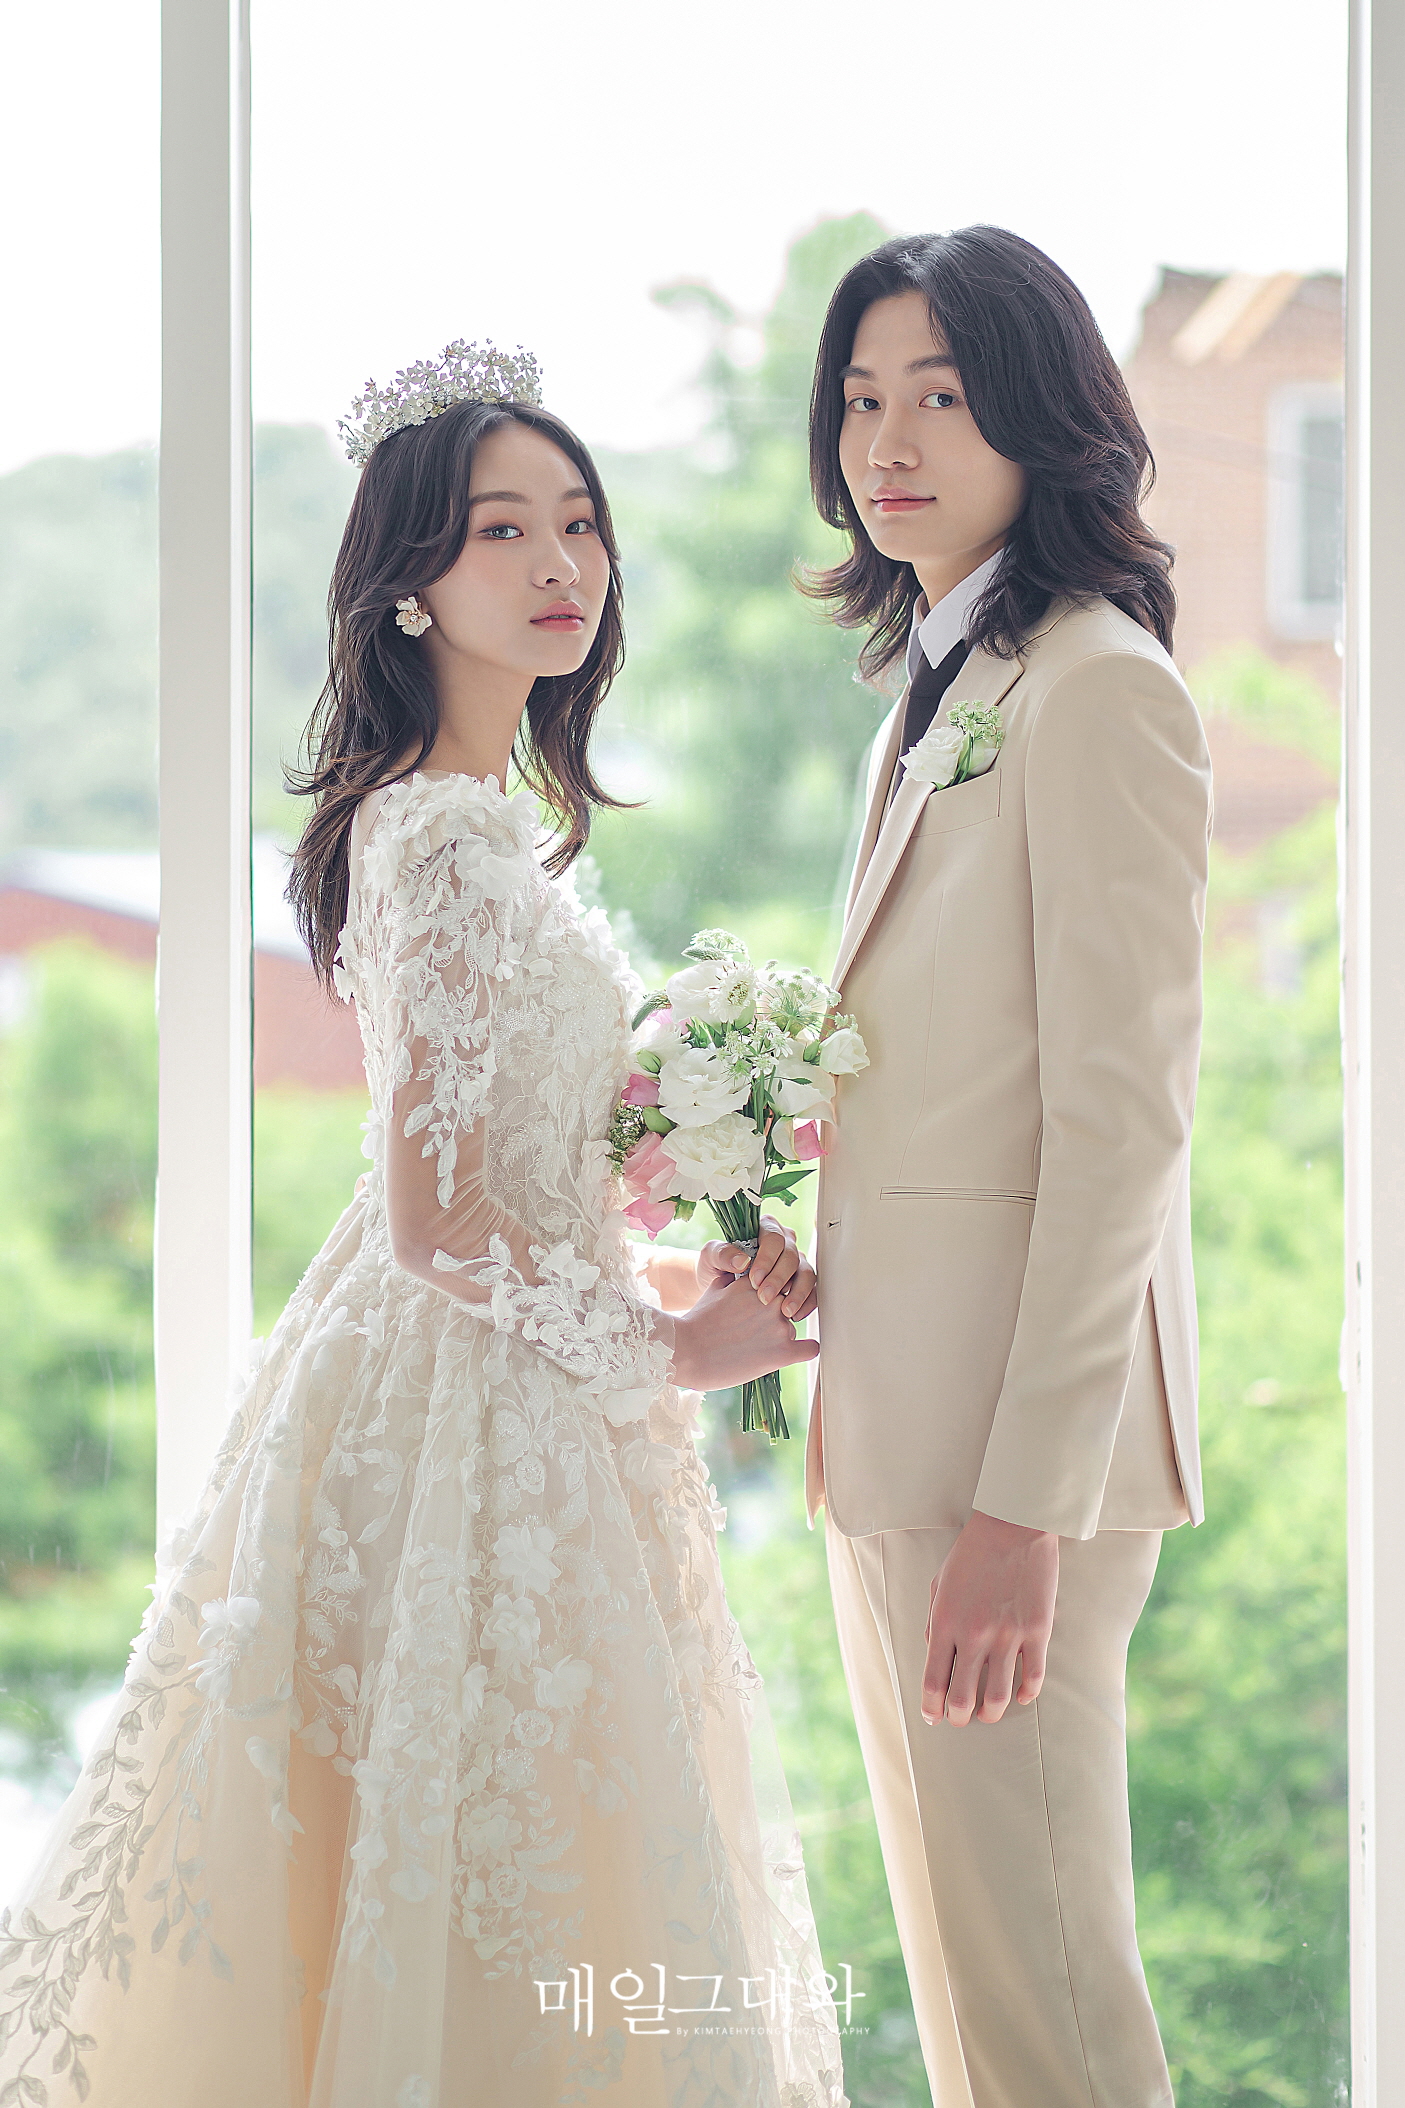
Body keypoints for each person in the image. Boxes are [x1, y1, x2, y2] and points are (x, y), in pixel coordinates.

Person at [0, 343, 847, 2108]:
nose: (559, 562)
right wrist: (674, 1349)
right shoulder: (442, 845)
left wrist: (671, 1262)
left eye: (580, 522)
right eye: (500, 530)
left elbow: (514, 1186)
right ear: (408, 583)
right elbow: (437, 1224)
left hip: (510, 1380)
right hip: (474, 1403)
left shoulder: (481, 829)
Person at [802, 230, 1211, 2107]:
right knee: (979, 2002)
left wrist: (1022, 1513)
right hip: (903, 1436)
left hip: (1005, 1470)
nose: (886, 443)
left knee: (1047, 2012)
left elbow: (1122, 1126)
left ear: (1040, 417)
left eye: (942, 398)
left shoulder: (1094, 687)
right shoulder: (940, 688)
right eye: (860, 400)